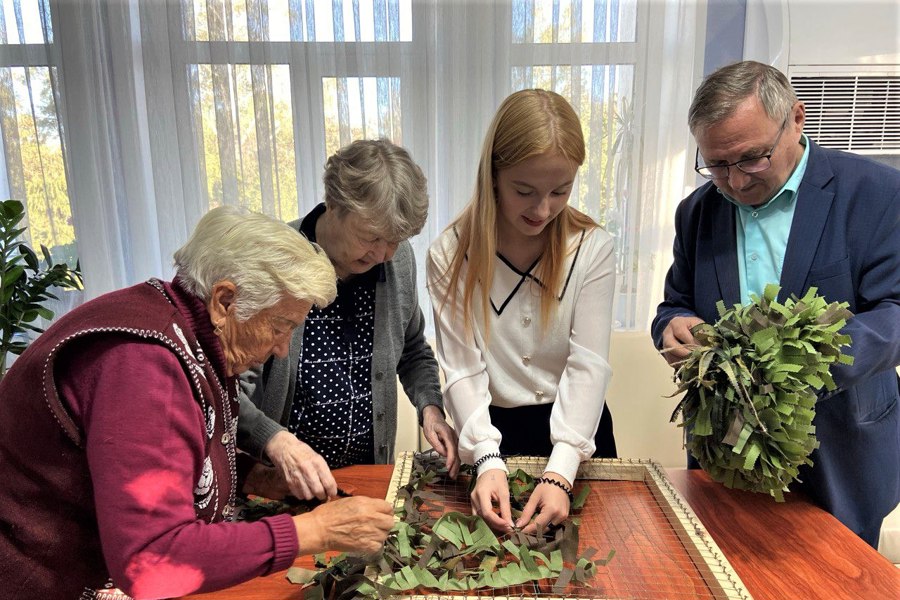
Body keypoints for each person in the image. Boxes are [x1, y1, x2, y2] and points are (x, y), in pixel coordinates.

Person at [0, 206, 395, 599]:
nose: (281, 348)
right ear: (225, 301)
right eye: (279, 327)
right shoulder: (144, 365)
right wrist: (315, 531)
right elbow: (151, 561)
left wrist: (258, 478)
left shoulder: (184, 326)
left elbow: (179, 453)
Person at [652, 60, 900, 548]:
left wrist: (808, 355)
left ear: (796, 119)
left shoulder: (877, 194)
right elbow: (675, 302)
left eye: (751, 159)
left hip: (843, 449)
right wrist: (674, 323)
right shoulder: (697, 212)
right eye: (717, 164)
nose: (736, 182)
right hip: (727, 450)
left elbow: (894, 311)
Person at [427, 89, 617, 534]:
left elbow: (587, 365)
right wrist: (486, 457)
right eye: (524, 190)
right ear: (493, 174)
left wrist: (562, 470)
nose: (542, 209)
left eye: (560, 191)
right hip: (492, 431)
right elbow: (461, 368)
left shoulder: (592, 248)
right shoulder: (450, 253)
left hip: (576, 434)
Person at [238, 139, 459, 501]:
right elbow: (231, 392)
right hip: (282, 484)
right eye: (372, 237)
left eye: (396, 239)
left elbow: (414, 349)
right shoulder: (273, 260)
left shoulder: (395, 260)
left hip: (366, 481)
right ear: (335, 204)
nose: (384, 253)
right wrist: (273, 440)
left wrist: (431, 409)